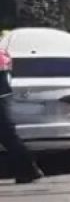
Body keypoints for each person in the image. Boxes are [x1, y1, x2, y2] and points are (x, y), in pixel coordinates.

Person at [0, 30, 43, 183]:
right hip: (4, 97)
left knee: (8, 137)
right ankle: (28, 169)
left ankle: (29, 169)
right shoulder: (3, 55)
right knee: (9, 137)